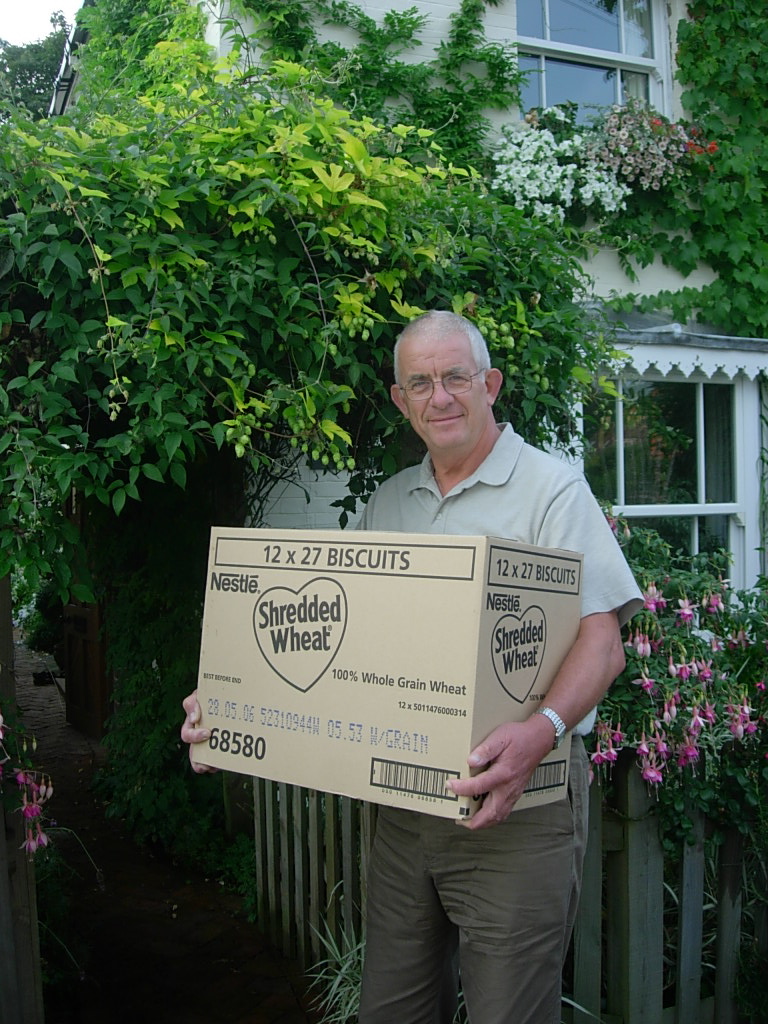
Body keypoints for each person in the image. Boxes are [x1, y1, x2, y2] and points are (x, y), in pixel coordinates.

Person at [181, 311, 642, 1024]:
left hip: (517, 806)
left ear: (490, 384)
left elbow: (603, 640)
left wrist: (542, 730)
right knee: (393, 1009)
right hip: (403, 809)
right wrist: (232, 706)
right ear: (401, 400)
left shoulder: (551, 490)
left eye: (456, 377)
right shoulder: (390, 500)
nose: (441, 397)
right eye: (420, 382)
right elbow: (343, 643)